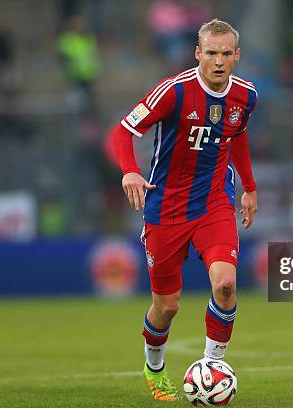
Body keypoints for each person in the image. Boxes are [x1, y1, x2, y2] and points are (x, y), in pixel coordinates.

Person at [105, 18, 258, 401]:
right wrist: (130, 172)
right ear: (197, 53)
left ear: (236, 55)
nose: (218, 61)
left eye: (226, 54)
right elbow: (124, 131)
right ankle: (154, 367)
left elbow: (236, 136)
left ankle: (211, 368)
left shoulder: (245, 96)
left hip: (213, 203)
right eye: (211, 53)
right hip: (165, 208)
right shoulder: (173, 92)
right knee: (167, 306)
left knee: (225, 285)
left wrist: (249, 188)